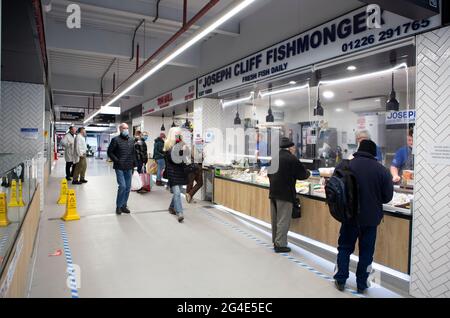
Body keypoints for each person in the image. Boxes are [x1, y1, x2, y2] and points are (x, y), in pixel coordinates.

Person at [334, 140, 394, 294]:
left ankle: (340, 279)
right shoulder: (382, 170)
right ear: (374, 153)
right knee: (367, 253)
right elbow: (387, 197)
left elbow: (335, 187)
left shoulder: (344, 165)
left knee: (344, 248)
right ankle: (362, 284)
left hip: (349, 217)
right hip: (371, 219)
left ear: (358, 150)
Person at [268, 137, 310, 253]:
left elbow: (269, 174)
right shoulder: (291, 158)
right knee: (283, 219)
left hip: (273, 192)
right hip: (285, 193)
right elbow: (302, 174)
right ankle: (280, 245)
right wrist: (308, 172)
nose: (295, 149)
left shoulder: (275, 158)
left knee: (275, 219)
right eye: (294, 147)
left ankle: (275, 241)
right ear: (290, 148)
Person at [107, 123, 137, 215]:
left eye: (127, 128)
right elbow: (110, 152)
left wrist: (135, 163)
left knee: (128, 187)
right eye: (124, 128)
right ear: (120, 129)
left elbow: (133, 153)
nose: (126, 130)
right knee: (122, 186)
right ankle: (118, 206)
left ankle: (124, 205)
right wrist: (117, 160)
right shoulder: (115, 140)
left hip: (129, 167)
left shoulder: (132, 140)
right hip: (119, 167)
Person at [164, 127, 188, 223]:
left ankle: (171, 207)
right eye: (177, 134)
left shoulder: (182, 144)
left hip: (181, 172)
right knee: (177, 193)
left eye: (180, 134)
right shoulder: (168, 145)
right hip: (172, 172)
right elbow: (172, 159)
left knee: (177, 192)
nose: (179, 135)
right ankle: (180, 213)